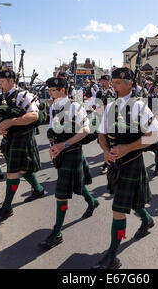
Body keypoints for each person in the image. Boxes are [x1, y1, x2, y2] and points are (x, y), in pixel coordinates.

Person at [94, 67, 158, 269]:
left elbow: (155, 134)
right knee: (132, 204)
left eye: (118, 83)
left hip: (132, 163)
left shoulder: (140, 106)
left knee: (118, 209)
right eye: (113, 82)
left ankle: (112, 256)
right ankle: (147, 220)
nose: (113, 86)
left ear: (130, 83)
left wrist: (127, 148)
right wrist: (106, 151)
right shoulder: (110, 106)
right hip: (115, 163)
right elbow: (101, 135)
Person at [38, 76, 99, 250]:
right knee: (77, 185)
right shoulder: (53, 107)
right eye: (49, 91)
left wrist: (63, 145)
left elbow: (86, 130)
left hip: (72, 151)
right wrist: (53, 148)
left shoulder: (74, 106)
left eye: (54, 91)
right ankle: (92, 201)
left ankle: (57, 233)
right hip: (61, 152)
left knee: (61, 192)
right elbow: (53, 131)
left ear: (63, 90)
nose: (51, 94)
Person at [0, 69, 44, 223]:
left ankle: (6, 208)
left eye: (2, 82)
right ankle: (38, 190)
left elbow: (34, 115)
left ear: (11, 81)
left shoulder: (24, 95)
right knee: (23, 168)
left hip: (23, 137)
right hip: (9, 138)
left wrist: (11, 122)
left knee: (12, 171)